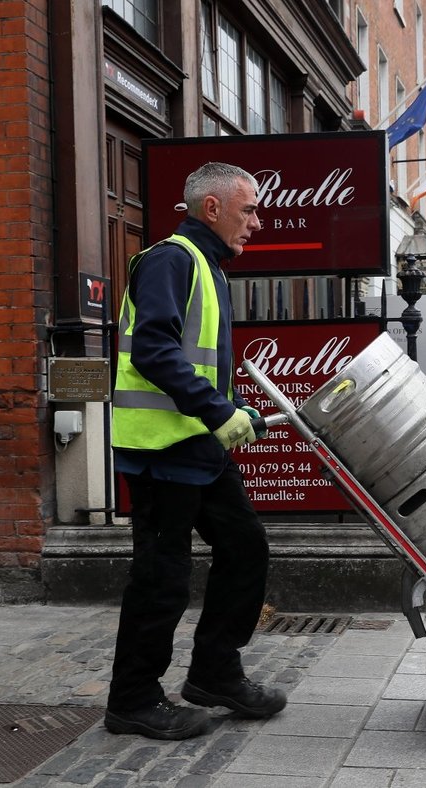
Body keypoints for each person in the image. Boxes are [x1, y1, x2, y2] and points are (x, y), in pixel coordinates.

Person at [105, 162, 285, 741]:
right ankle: (132, 699)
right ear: (213, 208)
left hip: (198, 450)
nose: (256, 222)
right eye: (249, 209)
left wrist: (233, 410)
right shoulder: (171, 259)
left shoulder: (205, 267)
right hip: (163, 454)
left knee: (245, 549)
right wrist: (217, 411)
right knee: (161, 580)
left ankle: (214, 672)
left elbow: (192, 360)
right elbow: (154, 351)